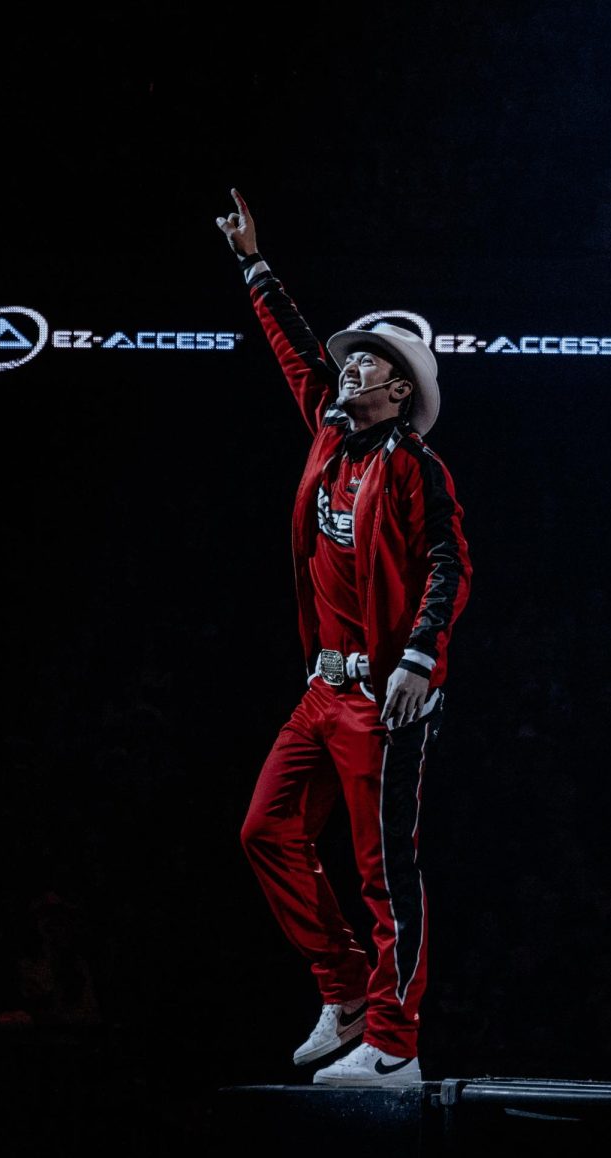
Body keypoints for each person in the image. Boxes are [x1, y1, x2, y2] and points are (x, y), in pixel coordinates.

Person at [216, 189, 472, 1086]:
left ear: (400, 388)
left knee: (383, 872)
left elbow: (450, 564)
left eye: (367, 363)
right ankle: (345, 991)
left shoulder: (415, 466)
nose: (348, 370)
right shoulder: (329, 439)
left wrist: (416, 662)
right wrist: (256, 264)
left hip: (380, 697)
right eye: (351, 359)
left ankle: (397, 1047)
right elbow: (292, 347)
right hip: (319, 691)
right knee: (266, 831)